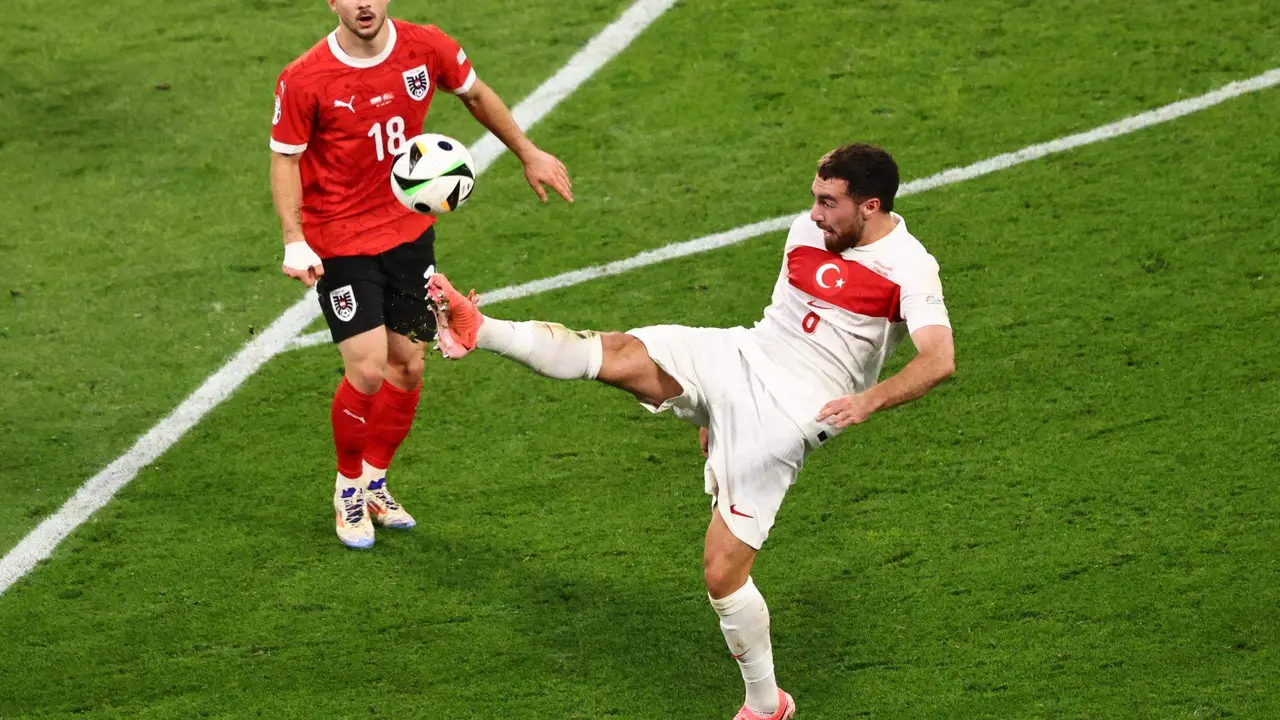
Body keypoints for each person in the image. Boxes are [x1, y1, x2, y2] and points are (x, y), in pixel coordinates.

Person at [425, 144, 955, 719]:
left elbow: (938, 359)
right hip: (744, 351)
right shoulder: (806, 230)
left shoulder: (910, 266)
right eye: (815, 198)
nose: (816, 213)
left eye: (829, 203)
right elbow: (785, 319)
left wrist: (870, 399)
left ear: (870, 206)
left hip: (791, 409)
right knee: (620, 353)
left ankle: (766, 703)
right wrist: (710, 409)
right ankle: (479, 327)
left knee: (722, 574)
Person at [268, 0, 572, 549]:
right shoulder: (304, 78)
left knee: (407, 369)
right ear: (332, 2)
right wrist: (295, 239)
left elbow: (475, 95)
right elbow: (285, 159)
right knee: (365, 368)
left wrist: (527, 151)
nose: (364, 3)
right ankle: (348, 489)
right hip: (339, 241)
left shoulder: (424, 46)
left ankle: (377, 480)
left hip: (408, 235)